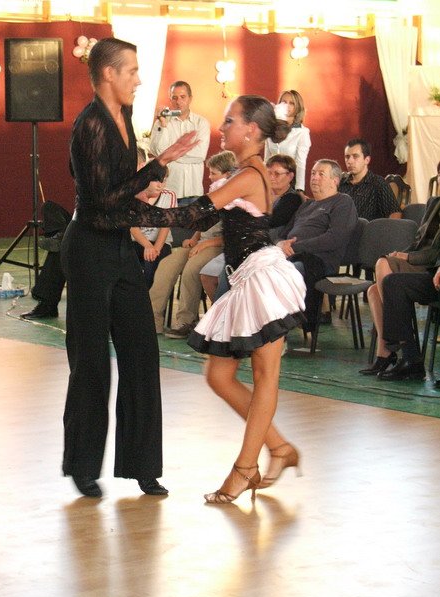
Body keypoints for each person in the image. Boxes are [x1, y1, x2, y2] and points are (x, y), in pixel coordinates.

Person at [102, 95, 307, 504]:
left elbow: (191, 214)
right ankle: (280, 448)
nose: (222, 127)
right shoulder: (243, 173)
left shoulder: (251, 174)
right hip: (245, 279)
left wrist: (127, 212)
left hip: (263, 281)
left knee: (265, 375)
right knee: (219, 376)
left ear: (251, 129)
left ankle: (245, 468)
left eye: (230, 121)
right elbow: (206, 217)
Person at [60, 37, 198, 498]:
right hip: (88, 249)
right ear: (108, 74)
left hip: (119, 247)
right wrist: (160, 164)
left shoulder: (125, 116)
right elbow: (102, 202)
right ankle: (83, 466)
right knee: (91, 362)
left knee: (142, 353)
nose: (139, 80)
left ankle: (142, 466)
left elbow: (122, 199)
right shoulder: (90, 123)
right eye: (132, 71)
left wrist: (164, 197)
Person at [360, 163, 440, 380]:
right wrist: (403, 253)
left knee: (384, 271)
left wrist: (408, 258)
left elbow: (435, 254)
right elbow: (418, 240)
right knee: (374, 290)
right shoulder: (435, 203)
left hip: (428, 264)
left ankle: (392, 349)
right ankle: (394, 352)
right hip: (423, 262)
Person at [199, 153, 302, 302]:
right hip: (243, 244)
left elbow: (271, 221)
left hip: (267, 248)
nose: (272, 177)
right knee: (207, 275)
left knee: (227, 275)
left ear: (290, 176)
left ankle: (229, 313)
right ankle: (224, 311)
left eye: (277, 174)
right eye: (269, 173)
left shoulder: (292, 199)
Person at [154, 151, 235, 338]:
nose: (210, 177)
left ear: (227, 174)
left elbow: (233, 235)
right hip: (202, 243)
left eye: (214, 173)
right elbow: (204, 223)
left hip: (219, 246)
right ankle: (152, 318)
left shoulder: (235, 198)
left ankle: (186, 321)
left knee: (192, 268)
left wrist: (204, 245)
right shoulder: (211, 194)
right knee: (167, 264)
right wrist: (194, 238)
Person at [277, 159, 358, 330]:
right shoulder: (307, 205)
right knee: (248, 269)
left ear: (335, 181)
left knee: (279, 274)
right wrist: (281, 244)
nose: (314, 178)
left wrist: (295, 248)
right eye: (313, 173)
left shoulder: (342, 202)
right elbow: (284, 234)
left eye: (321, 174)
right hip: (290, 255)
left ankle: (277, 332)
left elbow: (334, 238)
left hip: (319, 261)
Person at [149, 80, 210, 201]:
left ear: (190, 98)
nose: (178, 102)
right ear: (170, 99)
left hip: (194, 190)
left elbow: (200, 155)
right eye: (174, 97)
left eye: (183, 97)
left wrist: (170, 154)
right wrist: (163, 125)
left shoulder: (201, 123)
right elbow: (158, 152)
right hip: (169, 190)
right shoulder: (161, 122)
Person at [20, 201, 71, 320]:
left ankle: (48, 305)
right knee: (49, 206)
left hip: (101, 227)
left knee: (60, 251)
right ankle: (59, 235)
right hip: (82, 223)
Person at [130, 170, 176, 288]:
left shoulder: (169, 195)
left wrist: (155, 249)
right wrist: (147, 245)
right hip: (138, 241)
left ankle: (150, 297)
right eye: (156, 181)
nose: (160, 185)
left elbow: (166, 227)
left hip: (161, 243)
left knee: (152, 262)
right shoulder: (133, 195)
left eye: (163, 181)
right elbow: (132, 227)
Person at [339, 138, 401, 220]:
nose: (349, 161)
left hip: (368, 227)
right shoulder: (340, 183)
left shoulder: (378, 184)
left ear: (367, 160)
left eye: (355, 156)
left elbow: (394, 213)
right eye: (347, 157)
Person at [264, 89, 311, 195]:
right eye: (284, 102)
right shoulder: (271, 129)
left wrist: (299, 189)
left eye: (291, 103)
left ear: (297, 107)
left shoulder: (302, 133)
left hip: (289, 184)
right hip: (270, 183)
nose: (287, 106)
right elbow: (266, 160)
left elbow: (300, 163)